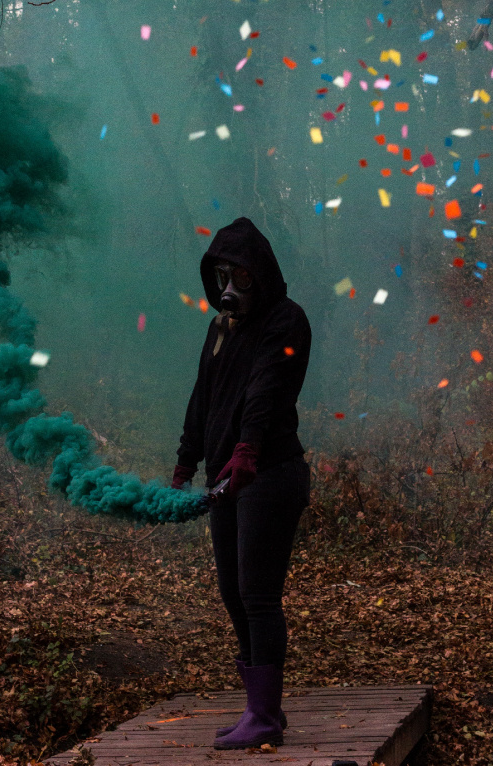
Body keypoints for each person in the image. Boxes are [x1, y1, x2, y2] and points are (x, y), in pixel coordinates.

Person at [171, 217, 311, 750]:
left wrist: (249, 447)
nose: (231, 288)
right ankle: (257, 708)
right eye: (224, 275)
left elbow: (267, 387)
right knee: (233, 592)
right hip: (227, 476)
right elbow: (203, 395)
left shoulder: (286, 321)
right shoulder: (221, 328)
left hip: (270, 472)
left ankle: (266, 716)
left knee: (256, 593)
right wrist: (187, 461)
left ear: (262, 275)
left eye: (241, 276)